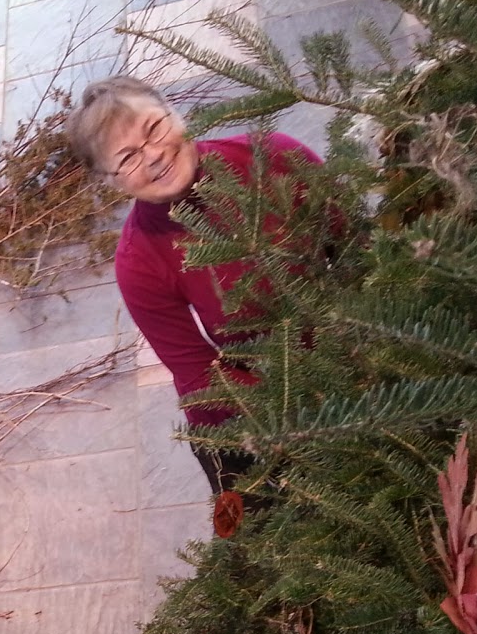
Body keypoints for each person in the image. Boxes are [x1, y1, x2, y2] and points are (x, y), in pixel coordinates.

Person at [67, 76, 322, 496]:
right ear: (110, 182)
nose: (153, 155)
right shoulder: (139, 261)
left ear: (176, 113)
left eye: (154, 128)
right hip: (249, 407)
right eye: (127, 158)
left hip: (350, 342)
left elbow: (356, 244)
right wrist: (308, 402)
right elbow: (198, 373)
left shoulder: (273, 156)